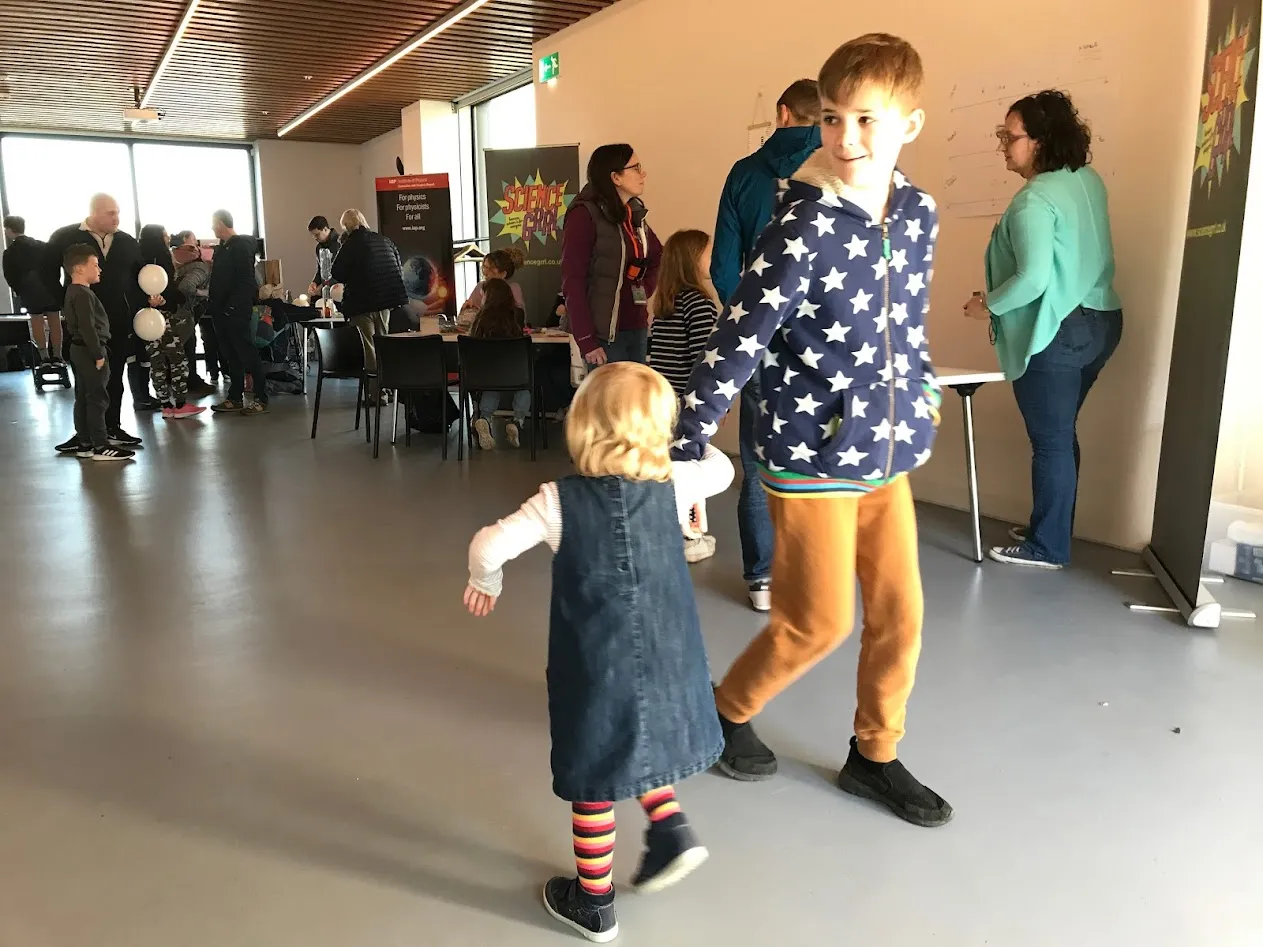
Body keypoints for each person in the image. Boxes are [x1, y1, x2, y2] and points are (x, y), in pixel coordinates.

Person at [670, 34, 953, 828]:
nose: (846, 138)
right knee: (818, 620)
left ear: (910, 123)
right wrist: (691, 437)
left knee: (901, 613)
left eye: (867, 119)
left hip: (885, 447)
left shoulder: (919, 213)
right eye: (832, 119)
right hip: (809, 447)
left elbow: (907, 320)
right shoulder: (801, 220)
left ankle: (875, 752)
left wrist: (920, 392)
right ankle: (724, 707)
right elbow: (741, 335)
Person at [464, 361, 733, 943]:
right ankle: (671, 830)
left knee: (594, 775)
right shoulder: (677, 484)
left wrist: (485, 581)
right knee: (642, 742)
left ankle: (594, 902)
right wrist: (692, 443)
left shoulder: (557, 502)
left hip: (595, 666)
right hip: (670, 658)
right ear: (657, 431)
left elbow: (488, 545)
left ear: (581, 427)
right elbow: (721, 470)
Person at [964, 90, 1123, 570]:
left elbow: (1031, 280)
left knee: (1051, 440)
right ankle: (1051, 528)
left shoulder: (1034, 199)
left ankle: (1047, 547)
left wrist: (985, 305)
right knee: (1061, 433)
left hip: (1059, 328)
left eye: (1009, 137)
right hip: (1103, 321)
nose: (1003, 146)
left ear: (1039, 141)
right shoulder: (1086, 181)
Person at [712, 79, 823, 612]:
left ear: (782, 112)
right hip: (824, 341)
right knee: (819, 454)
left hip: (759, 340)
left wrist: (748, 327)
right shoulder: (838, 169)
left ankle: (761, 579)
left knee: (757, 461)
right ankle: (813, 576)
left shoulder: (743, 174)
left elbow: (721, 267)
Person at [46, 194, 144, 449]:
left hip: (118, 323)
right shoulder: (65, 237)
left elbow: (138, 276)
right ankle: (87, 435)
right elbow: (46, 272)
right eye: (111, 213)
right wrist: (66, 303)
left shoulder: (126, 241)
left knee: (114, 378)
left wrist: (139, 304)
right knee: (86, 382)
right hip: (82, 323)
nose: (117, 218)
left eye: (118, 212)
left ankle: (112, 427)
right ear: (95, 212)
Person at [647, 228, 721, 564]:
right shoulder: (700, 303)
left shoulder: (666, 302)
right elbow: (705, 360)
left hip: (662, 400)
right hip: (687, 403)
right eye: (708, 253)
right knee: (692, 469)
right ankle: (691, 537)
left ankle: (669, 530)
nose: (713, 258)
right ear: (694, 260)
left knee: (672, 467)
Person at [561, 144, 662, 367]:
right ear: (615, 177)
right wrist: (586, 339)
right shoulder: (584, 214)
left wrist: (644, 288)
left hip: (636, 327)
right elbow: (573, 281)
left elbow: (657, 257)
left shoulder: (634, 213)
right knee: (608, 401)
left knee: (635, 400)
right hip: (603, 336)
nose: (642, 174)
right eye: (635, 168)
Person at [61, 244, 133, 461]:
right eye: (94, 265)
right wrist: (98, 354)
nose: (99, 269)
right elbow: (87, 326)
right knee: (97, 398)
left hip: (80, 349)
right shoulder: (82, 294)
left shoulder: (75, 292)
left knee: (84, 396)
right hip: (89, 350)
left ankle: (85, 442)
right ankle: (101, 445)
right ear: (80, 269)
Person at [329, 208, 407, 380]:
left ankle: (376, 393)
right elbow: (398, 268)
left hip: (361, 304)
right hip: (386, 302)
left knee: (368, 346)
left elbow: (337, 272)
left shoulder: (351, 244)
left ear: (346, 226)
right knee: (383, 343)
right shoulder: (384, 240)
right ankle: (388, 385)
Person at [207, 210, 268, 416]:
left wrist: (233, 306)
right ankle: (235, 397)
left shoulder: (241, 246)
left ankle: (261, 398)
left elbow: (245, 280)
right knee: (231, 356)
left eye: (214, 224)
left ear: (222, 223)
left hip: (235, 311)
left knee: (247, 353)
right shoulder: (223, 249)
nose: (212, 228)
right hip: (220, 310)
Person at [468, 278, 530, 451]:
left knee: (492, 385)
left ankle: (485, 419)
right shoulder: (517, 314)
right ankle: (517, 422)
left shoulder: (480, 318)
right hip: (514, 372)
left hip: (486, 373)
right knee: (525, 385)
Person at [3, 215, 63, 364]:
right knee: (55, 321)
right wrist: (54, 283)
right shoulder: (43, 246)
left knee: (37, 322)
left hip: (30, 291)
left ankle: (44, 357)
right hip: (51, 288)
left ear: (10, 230)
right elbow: (55, 267)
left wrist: (19, 290)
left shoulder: (10, 252)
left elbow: (10, 275)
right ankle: (58, 355)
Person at [172, 230, 215, 392]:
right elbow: (186, 287)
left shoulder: (178, 268)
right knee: (187, 346)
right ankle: (189, 382)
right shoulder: (200, 268)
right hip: (184, 312)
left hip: (174, 312)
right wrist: (204, 293)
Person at [458, 248, 527, 325]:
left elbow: (518, 319)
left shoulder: (513, 288)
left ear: (503, 274)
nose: (485, 273)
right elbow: (465, 321)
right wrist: (465, 309)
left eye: (490, 269)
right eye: (484, 267)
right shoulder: (480, 286)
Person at [306, 215, 342, 298]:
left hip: (339, 290)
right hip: (325, 291)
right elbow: (320, 269)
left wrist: (326, 285)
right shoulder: (319, 247)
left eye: (317, 234)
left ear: (325, 229)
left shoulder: (340, 243)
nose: (315, 238)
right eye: (313, 235)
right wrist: (315, 282)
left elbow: (341, 270)